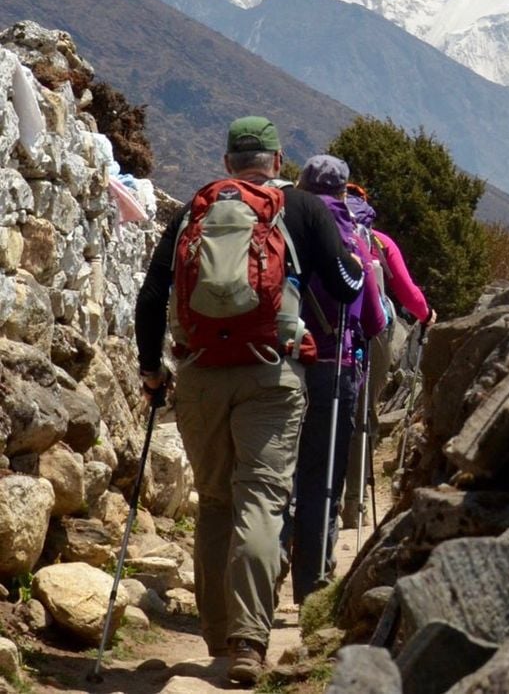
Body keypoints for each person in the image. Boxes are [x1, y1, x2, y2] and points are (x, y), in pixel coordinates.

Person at [133, 117, 365, 687]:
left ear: (229, 159)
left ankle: (215, 631)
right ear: (278, 160)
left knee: (213, 500)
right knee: (260, 500)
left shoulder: (198, 208)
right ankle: (247, 642)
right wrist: (358, 268)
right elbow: (345, 285)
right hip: (271, 374)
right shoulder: (304, 209)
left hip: (200, 375)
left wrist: (150, 369)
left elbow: (152, 291)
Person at [281, 154, 381, 603]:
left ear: (300, 183)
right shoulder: (356, 239)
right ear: (345, 192)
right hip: (335, 369)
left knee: (280, 473)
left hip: (281, 363)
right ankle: (312, 584)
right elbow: (375, 318)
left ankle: (271, 563)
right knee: (322, 479)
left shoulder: (283, 226)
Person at [338, 179, 435, 529]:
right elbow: (408, 291)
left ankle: (317, 497)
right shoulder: (378, 241)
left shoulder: (319, 228)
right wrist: (426, 316)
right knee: (364, 411)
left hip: (328, 331)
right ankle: (354, 503)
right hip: (375, 329)